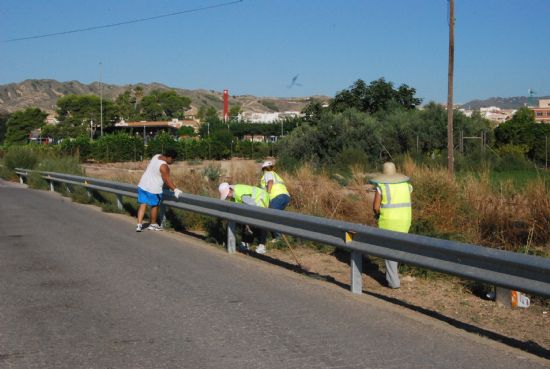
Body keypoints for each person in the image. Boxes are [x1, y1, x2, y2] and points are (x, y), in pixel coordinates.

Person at [371, 162, 413, 289]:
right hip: (405, 220)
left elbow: (376, 207)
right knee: (398, 249)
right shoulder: (407, 185)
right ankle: (394, 275)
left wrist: (378, 214)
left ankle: (393, 282)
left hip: (388, 221)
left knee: (389, 251)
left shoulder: (381, 186)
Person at [136, 149, 183, 232]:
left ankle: (139, 225)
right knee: (155, 206)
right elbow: (167, 180)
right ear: (169, 157)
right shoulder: (164, 166)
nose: (173, 162)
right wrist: (175, 189)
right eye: (173, 160)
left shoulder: (156, 156)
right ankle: (153, 224)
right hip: (153, 189)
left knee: (143, 204)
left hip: (142, 185)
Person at [219, 182, 269, 254]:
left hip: (260, 198)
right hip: (253, 201)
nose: (226, 197)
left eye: (226, 195)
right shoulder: (233, 195)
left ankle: (262, 246)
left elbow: (252, 205)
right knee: (245, 220)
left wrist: (247, 220)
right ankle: (245, 243)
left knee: (261, 220)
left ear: (229, 191)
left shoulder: (240, 194)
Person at [260, 161, 290, 240]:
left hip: (277, 197)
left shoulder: (267, 173)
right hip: (285, 197)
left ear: (264, 169)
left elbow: (270, 182)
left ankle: (278, 238)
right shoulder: (275, 174)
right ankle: (281, 236)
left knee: (271, 216)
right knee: (276, 217)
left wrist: (268, 194)